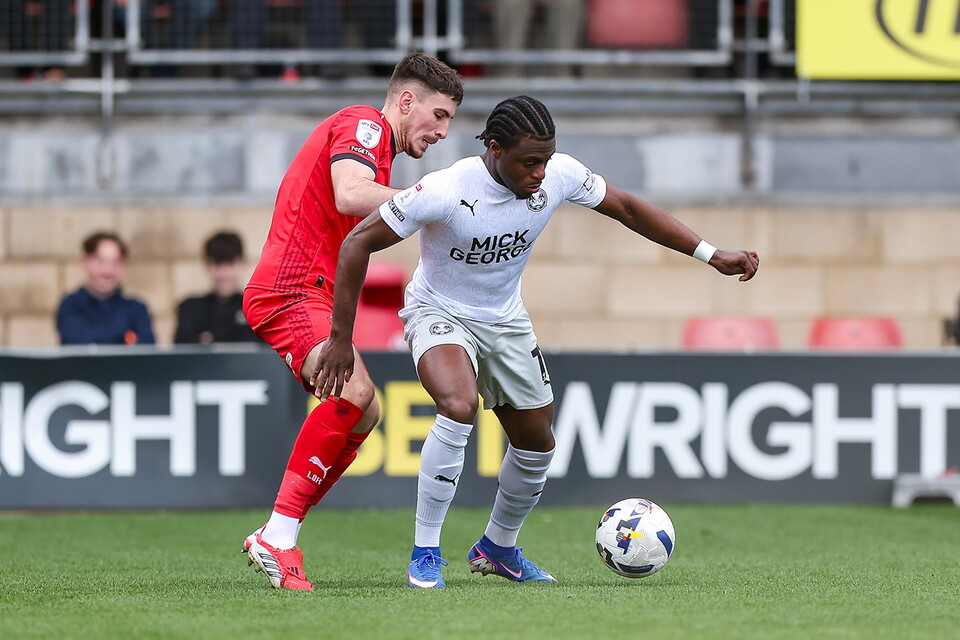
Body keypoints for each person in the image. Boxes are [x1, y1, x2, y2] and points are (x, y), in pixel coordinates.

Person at [313, 95, 760, 588]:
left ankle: (497, 548)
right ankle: (425, 552)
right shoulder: (445, 189)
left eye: (546, 159)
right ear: (495, 149)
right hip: (438, 311)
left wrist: (711, 254)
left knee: (537, 442)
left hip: (506, 320)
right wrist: (340, 338)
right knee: (458, 405)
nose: (541, 173)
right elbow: (357, 243)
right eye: (529, 162)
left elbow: (629, 210)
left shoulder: (559, 174)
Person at [240, 51, 464, 590]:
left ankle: (277, 530)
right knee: (354, 394)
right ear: (405, 101)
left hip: (311, 294)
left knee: (365, 412)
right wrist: (433, 202)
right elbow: (349, 192)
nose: (442, 131)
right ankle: (278, 536)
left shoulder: (381, 153)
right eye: (438, 115)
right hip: (290, 289)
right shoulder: (364, 123)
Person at [56, 231, 156, 346]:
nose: (108, 270)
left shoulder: (137, 309)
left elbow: (146, 348)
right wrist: (123, 339)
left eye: (116, 262)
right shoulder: (70, 306)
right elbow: (77, 343)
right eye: (100, 261)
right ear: (85, 262)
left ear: (124, 265)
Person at [174, 231, 257, 344]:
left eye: (230, 263)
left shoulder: (256, 309)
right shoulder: (191, 309)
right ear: (206, 264)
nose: (224, 273)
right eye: (217, 264)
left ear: (244, 263)